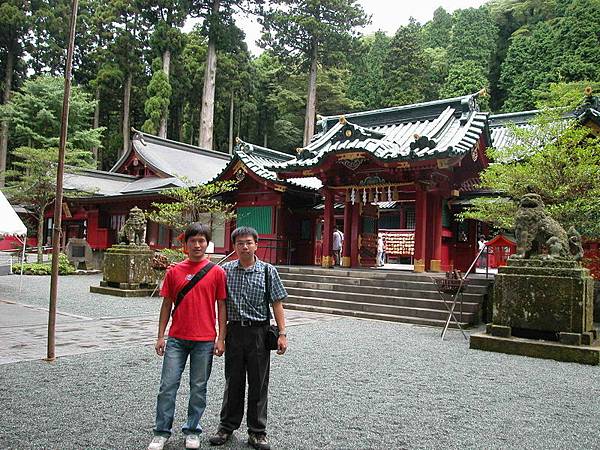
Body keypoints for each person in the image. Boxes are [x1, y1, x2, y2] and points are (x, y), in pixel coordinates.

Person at [148, 223, 227, 450]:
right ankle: (161, 431)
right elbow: (166, 305)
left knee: (198, 387)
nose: (197, 245)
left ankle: (193, 429)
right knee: (167, 385)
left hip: (204, 339)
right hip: (177, 338)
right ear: (185, 244)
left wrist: (221, 337)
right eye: (193, 241)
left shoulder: (217, 272)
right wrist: (160, 335)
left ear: (207, 244)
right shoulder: (174, 271)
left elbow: (221, 306)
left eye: (202, 240)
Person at [209, 226, 288, 450]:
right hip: (234, 331)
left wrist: (282, 333)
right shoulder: (225, 271)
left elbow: (277, 303)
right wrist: (221, 338)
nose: (244, 246)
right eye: (240, 243)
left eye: (248, 242)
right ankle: (227, 426)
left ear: (256, 244)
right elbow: (221, 305)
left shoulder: (267, 271)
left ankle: (257, 431)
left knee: (258, 382)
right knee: (233, 381)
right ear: (234, 246)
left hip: (259, 333)